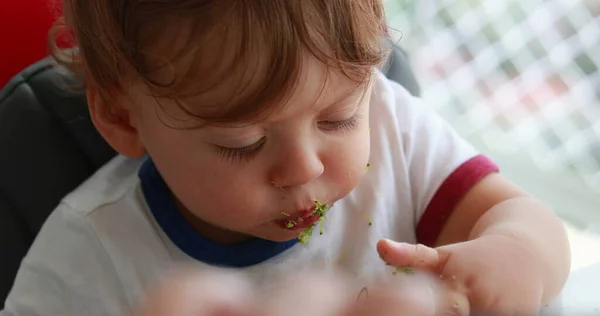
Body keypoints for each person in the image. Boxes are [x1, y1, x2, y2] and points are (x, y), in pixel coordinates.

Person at [1, 0, 570, 315]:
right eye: (243, 143)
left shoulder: (395, 129)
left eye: (337, 119)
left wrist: (511, 256)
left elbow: (522, 219)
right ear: (125, 118)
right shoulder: (88, 257)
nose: (304, 168)